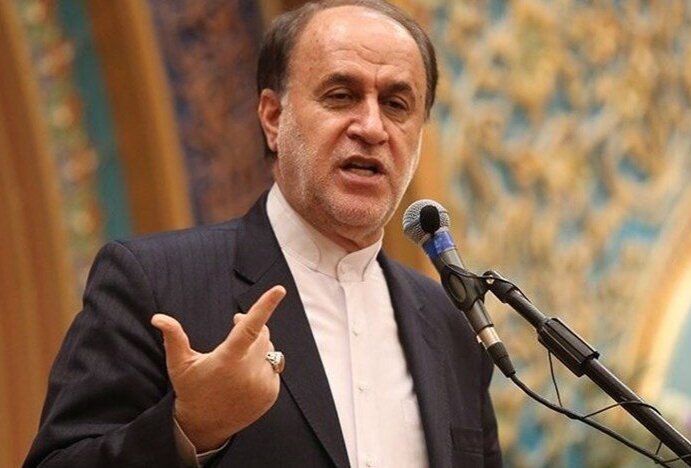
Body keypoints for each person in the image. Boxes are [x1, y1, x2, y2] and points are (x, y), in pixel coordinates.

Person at [25, 1, 502, 467]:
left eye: (397, 105)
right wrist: (190, 429)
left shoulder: (451, 324)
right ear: (273, 118)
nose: (372, 127)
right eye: (341, 95)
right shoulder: (153, 282)